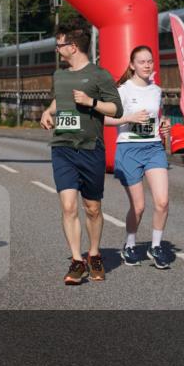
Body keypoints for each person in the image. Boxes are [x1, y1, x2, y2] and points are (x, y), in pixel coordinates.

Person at [39, 22, 123, 285]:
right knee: (68, 206)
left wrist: (91, 103)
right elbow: (60, 100)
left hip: (91, 148)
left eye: (60, 44)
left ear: (72, 47)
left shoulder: (100, 75)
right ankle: (77, 260)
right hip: (63, 148)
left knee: (93, 207)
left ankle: (94, 253)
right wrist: (47, 111)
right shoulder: (59, 76)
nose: (57, 48)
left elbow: (116, 109)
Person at [103, 45, 172, 269]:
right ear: (132, 65)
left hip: (153, 148)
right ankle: (130, 245)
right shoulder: (123, 90)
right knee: (139, 206)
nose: (147, 65)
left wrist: (164, 125)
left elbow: (158, 117)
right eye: (142, 62)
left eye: (150, 61)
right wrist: (128, 118)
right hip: (129, 149)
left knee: (162, 201)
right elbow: (103, 119)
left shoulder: (156, 91)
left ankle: (156, 246)